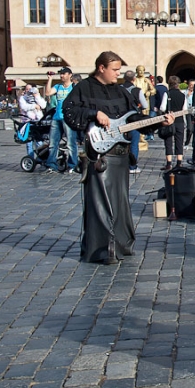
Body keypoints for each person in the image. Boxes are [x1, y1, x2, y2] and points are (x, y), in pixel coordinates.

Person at [62, 51, 175, 264]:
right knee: (101, 204)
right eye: (114, 69)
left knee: (120, 203)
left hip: (121, 156)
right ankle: (102, 249)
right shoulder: (83, 87)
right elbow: (69, 112)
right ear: (101, 68)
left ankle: (120, 245)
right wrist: (93, 113)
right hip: (100, 157)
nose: (118, 74)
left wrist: (159, 121)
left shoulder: (121, 91)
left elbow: (133, 119)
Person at [44, 67, 79, 174]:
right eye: (61, 74)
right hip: (56, 118)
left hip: (68, 118)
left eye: (64, 74)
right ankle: (51, 165)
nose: (61, 76)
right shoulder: (58, 86)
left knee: (71, 143)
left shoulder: (74, 87)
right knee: (53, 143)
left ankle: (73, 165)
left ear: (70, 75)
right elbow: (48, 93)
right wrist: (50, 79)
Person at [121, 70, 148, 174]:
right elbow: (145, 105)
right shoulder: (137, 90)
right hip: (133, 119)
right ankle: (132, 166)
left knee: (121, 143)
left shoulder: (118, 89)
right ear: (134, 79)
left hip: (120, 119)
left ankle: (120, 165)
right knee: (134, 144)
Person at [159, 76, 186, 170]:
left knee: (168, 141)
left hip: (169, 120)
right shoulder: (182, 95)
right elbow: (185, 109)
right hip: (179, 120)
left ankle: (169, 163)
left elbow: (162, 107)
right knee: (179, 141)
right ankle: (179, 163)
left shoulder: (167, 94)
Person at [18, 85, 47, 156]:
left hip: (38, 122)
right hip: (27, 122)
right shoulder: (23, 98)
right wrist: (35, 106)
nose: (28, 90)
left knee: (39, 142)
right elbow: (24, 107)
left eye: (30, 89)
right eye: (27, 89)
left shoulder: (38, 97)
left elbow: (43, 105)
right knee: (29, 143)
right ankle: (30, 158)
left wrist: (37, 97)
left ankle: (40, 158)